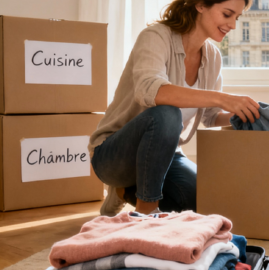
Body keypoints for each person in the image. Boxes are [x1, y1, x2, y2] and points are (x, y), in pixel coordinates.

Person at [89, 0, 259, 216]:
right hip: (113, 155)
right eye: (227, 14)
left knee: (204, 201)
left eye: (237, 17)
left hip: (165, 155)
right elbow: (150, 90)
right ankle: (146, 211)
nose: (233, 25)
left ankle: (126, 192)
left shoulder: (213, 57)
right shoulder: (156, 36)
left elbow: (210, 116)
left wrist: (242, 115)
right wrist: (221, 98)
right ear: (200, 5)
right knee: (167, 113)